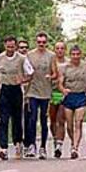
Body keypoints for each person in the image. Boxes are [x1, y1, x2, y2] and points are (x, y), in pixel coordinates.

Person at [0, 35, 34, 161]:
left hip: (17, 89)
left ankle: (18, 143)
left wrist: (23, 79)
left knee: (17, 119)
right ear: (5, 45)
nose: (10, 49)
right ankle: (3, 148)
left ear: (15, 46)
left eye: (12, 46)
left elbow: (31, 73)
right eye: (8, 46)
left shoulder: (22, 59)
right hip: (4, 89)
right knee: (3, 119)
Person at [24, 31, 58, 159]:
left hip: (45, 92)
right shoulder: (29, 55)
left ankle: (43, 147)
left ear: (46, 42)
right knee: (32, 118)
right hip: (33, 91)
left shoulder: (51, 56)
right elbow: (26, 71)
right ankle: (32, 145)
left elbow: (55, 73)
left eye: (43, 42)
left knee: (44, 120)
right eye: (39, 42)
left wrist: (51, 76)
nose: (41, 44)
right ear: (36, 42)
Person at [59, 45, 86, 159]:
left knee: (79, 122)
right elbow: (60, 82)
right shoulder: (64, 67)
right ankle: (73, 141)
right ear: (70, 55)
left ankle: (75, 148)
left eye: (78, 54)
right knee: (69, 124)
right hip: (69, 96)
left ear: (80, 55)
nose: (75, 57)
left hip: (81, 96)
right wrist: (63, 89)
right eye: (73, 54)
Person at [50, 41, 68, 158]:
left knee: (61, 119)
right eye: (57, 48)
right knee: (52, 121)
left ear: (65, 50)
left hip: (63, 94)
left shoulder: (68, 63)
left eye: (62, 48)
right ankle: (55, 139)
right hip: (51, 93)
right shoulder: (51, 62)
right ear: (54, 50)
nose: (60, 50)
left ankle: (59, 145)